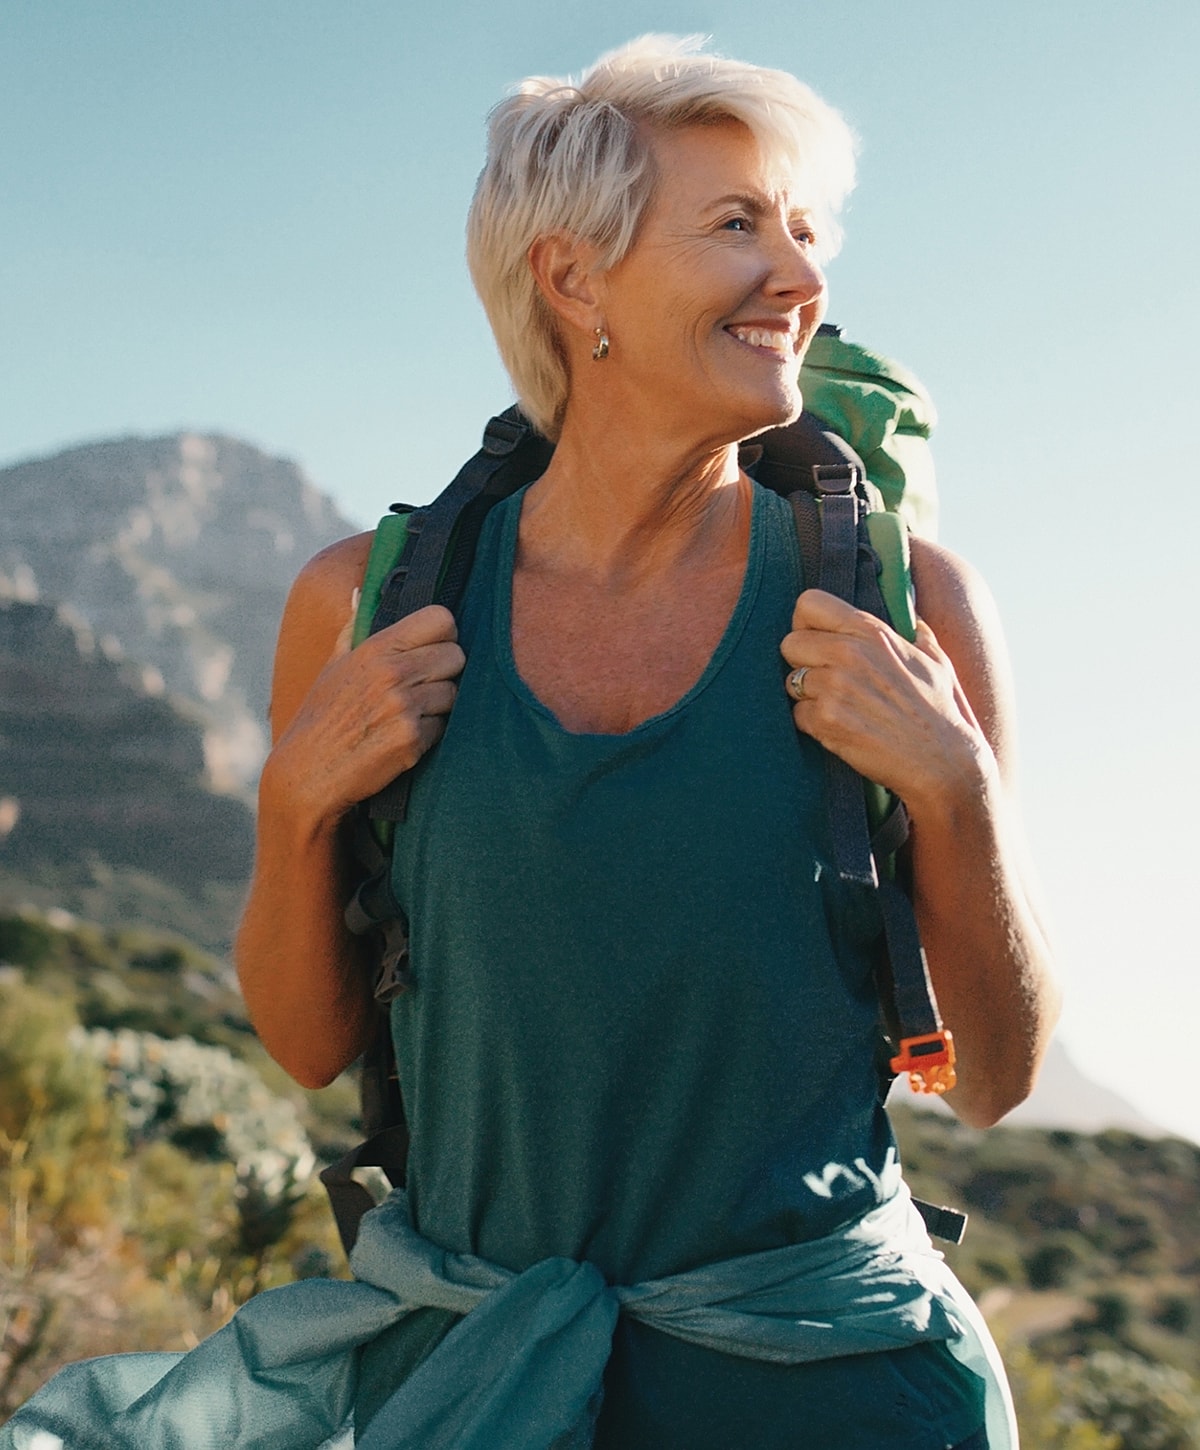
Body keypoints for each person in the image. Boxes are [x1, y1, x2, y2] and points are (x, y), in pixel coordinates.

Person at [2, 34, 1057, 1450]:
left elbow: (995, 1077)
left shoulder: (908, 603)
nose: (803, 281)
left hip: (839, 1394)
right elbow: (313, 1041)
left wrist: (960, 791)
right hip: (469, 1390)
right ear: (574, 278)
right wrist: (294, 806)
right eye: (739, 225)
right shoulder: (365, 606)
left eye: (806, 232)